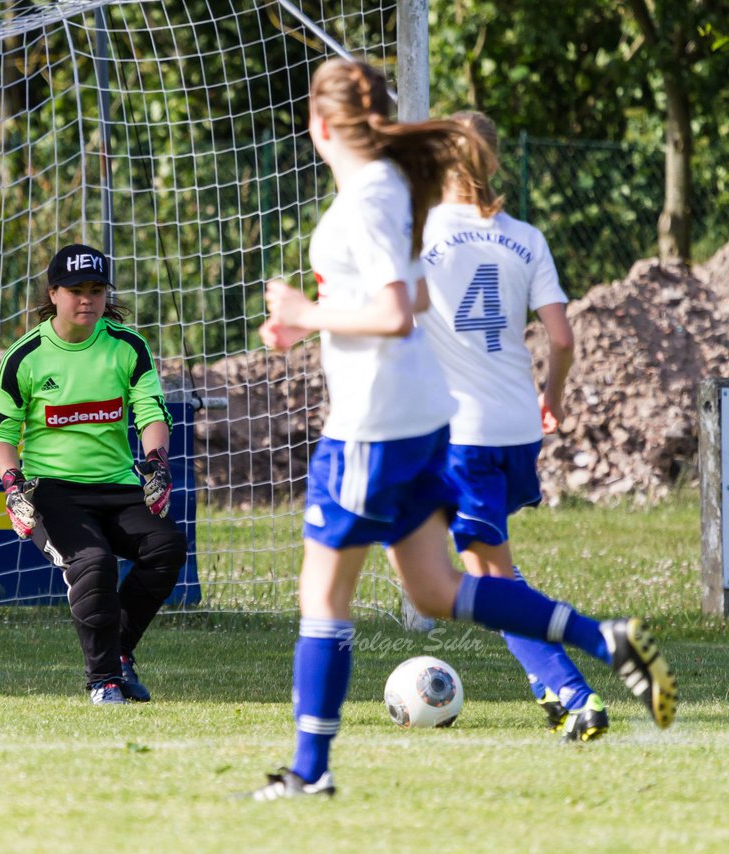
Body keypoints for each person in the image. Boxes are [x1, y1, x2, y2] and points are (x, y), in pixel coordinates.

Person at [244, 58, 678, 800]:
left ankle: (310, 773)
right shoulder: (392, 192)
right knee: (441, 590)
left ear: (319, 126)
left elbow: (395, 311)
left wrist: (303, 316)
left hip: (372, 425)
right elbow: (407, 292)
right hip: (420, 420)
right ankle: (603, 639)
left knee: (323, 596)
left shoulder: (372, 198)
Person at [419, 110, 606, 741]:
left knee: (486, 575)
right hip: (517, 426)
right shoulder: (525, 235)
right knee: (490, 560)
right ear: (494, 162)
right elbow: (561, 337)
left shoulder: (419, 232)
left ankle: (575, 692)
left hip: (461, 432)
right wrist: (551, 396)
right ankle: (543, 683)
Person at [0, 243, 187, 705]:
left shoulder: (127, 346)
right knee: (92, 564)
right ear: (53, 294)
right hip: (52, 492)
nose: (87, 299)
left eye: (96, 290)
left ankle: (117, 656)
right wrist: (13, 485)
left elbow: (151, 411)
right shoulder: (26, 355)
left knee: (166, 546)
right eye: (75, 290)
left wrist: (156, 461)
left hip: (117, 485)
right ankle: (103, 682)